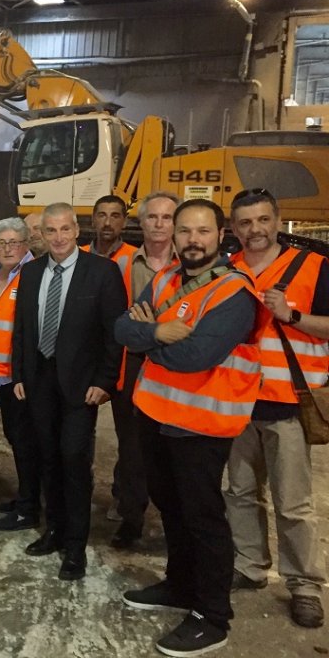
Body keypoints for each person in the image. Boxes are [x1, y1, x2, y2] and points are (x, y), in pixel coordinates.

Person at [116, 198, 265, 657]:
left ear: (221, 236)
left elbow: (196, 356)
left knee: (202, 517)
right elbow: (123, 327)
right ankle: (179, 586)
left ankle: (212, 615)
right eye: (184, 231)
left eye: (203, 231)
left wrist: (148, 339)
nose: (192, 240)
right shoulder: (164, 280)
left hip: (201, 425)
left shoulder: (234, 293)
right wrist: (157, 334)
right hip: (156, 417)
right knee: (170, 506)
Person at [225, 188, 328, 628]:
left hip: (287, 405)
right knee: (241, 493)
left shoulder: (313, 267)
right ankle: (250, 567)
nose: (255, 230)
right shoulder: (228, 271)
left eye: (263, 220)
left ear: (277, 220)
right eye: (246, 223)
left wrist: (291, 316)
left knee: (293, 503)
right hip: (238, 402)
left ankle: (304, 584)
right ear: (234, 229)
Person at [12, 202, 125, 581]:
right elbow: (22, 331)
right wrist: (19, 375)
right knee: (47, 457)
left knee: (74, 460)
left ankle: (75, 546)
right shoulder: (30, 273)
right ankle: (55, 530)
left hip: (81, 385)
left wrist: (106, 381)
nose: (58, 237)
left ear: (77, 231)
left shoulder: (102, 273)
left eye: (65, 229)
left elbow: (114, 333)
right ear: (40, 235)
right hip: (40, 378)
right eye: (50, 231)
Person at [109, 191, 180, 542]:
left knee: (172, 448)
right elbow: (117, 320)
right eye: (152, 217)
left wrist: (148, 326)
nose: (159, 224)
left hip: (178, 368)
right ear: (141, 221)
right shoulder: (122, 264)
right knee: (132, 446)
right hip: (132, 364)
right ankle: (131, 517)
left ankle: (173, 520)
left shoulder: (191, 266)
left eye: (167, 218)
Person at [81, 194, 140, 547]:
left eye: (115, 216)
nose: (107, 222)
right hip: (86, 359)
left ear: (124, 221)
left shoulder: (135, 259)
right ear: (92, 219)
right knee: (80, 434)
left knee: (130, 442)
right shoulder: (81, 257)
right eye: (101, 215)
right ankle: (81, 490)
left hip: (125, 360)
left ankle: (127, 501)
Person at [0, 218, 41, 532]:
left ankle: (30, 508)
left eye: (13, 242)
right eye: (1, 242)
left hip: (20, 378)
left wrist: (23, 376)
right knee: (17, 438)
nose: (7, 248)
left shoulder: (33, 274)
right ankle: (26, 497)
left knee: (26, 441)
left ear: (25, 243)